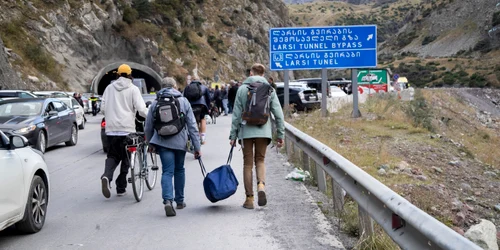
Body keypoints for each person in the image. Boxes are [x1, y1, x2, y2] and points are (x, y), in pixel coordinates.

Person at [229, 63, 285, 209]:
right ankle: (261, 185)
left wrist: (233, 135)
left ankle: (249, 199)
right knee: (260, 160)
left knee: (247, 164)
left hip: (245, 131)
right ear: (263, 74)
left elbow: (236, 114)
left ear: (251, 73)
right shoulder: (269, 89)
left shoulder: (242, 89)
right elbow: (278, 114)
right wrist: (280, 134)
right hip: (263, 130)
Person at [145, 77, 201, 217]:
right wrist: (197, 146)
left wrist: (150, 143)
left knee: (167, 172)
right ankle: (180, 201)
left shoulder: (156, 102)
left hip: (162, 141)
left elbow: (148, 126)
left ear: (162, 87)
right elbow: (192, 125)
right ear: (175, 86)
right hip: (180, 142)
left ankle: (168, 201)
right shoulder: (183, 101)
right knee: (179, 170)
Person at [100, 64, 148, 198]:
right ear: (130, 74)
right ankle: (121, 187)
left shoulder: (109, 88)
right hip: (127, 129)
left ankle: (106, 176)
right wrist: (150, 117)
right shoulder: (133, 89)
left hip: (111, 130)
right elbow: (141, 109)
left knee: (113, 156)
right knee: (127, 158)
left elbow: (102, 108)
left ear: (117, 74)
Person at [183, 77, 211, 145]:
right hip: (201, 106)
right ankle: (203, 138)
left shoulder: (187, 87)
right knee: (202, 120)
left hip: (191, 106)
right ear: (199, 80)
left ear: (192, 80)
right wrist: (208, 108)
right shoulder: (204, 87)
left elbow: (184, 98)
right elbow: (208, 99)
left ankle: (195, 137)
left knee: (193, 121)